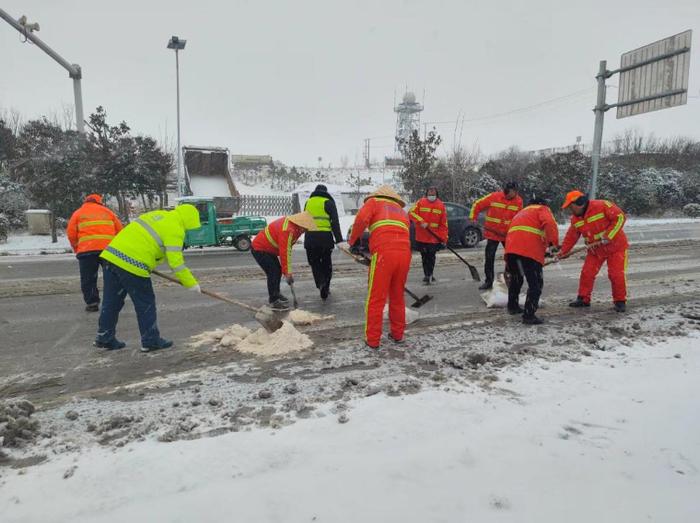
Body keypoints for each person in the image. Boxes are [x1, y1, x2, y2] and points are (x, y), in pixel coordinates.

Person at [96, 204, 202, 352]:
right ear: (189, 221)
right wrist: (191, 283)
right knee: (145, 303)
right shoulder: (175, 229)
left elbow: (146, 241)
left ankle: (104, 337)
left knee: (111, 302)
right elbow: (176, 263)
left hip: (111, 256)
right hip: (132, 264)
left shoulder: (158, 215)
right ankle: (150, 341)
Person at [348, 185, 411, 349]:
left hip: (384, 254)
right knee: (397, 296)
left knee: (376, 298)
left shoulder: (374, 202)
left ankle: (373, 340)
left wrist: (353, 241)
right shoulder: (400, 210)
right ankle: (397, 335)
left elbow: (361, 220)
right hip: (404, 255)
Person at [558, 190, 629, 312]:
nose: (570, 209)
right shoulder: (576, 219)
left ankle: (620, 301)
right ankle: (583, 299)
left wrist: (608, 236)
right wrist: (563, 252)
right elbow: (571, 237)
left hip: (615, 247)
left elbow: (620, 217)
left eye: (571, 206)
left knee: (615, 274)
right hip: (595, 250)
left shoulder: (602, 205)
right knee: (587, 273)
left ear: (579, 203)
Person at [504, 197, 559, 325]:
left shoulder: (522, 213)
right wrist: (553, 245)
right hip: (529, 251)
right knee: (536, 284)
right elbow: (549, 224)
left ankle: (512, 306)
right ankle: (529, 315)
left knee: (516, 279)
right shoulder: (542, 209)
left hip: (512, 250)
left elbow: (522, 232)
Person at [66, 194, 123, 312]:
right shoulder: (108, 212)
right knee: (112, 277)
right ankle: (113, 301)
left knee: (88, 278)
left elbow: (71, 233)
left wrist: (77, 248)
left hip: (87, 251)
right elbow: (120, 231)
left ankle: (92, 302)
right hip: (108, 251)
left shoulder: (78, 213)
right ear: (99, 202)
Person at [251, 211, 318, 309]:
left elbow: (287, 250)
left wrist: (286, 271)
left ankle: (276, 294)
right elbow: (285, 252)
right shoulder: (288, 230)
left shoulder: (295, 228)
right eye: (305, 228)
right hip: (260, 248)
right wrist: (288, 273)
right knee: (273, 271)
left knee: (277, 271)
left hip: (268, 249)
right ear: (301, 224)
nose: (306, 230)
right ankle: (274, 300)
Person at [469, 181, 523, 290]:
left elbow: (520, 217)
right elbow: (477, 204)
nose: (514, 194)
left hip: (508, 235)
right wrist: (472, 218)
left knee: (511, 258)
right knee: (489, 258)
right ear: (507, 190)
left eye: (515, 192)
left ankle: (510, 278)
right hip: (493, 233)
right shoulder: (494, 196)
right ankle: (488, 281)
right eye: (512, 191)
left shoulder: (518, 201)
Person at [303, 184, 344, 300]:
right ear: (325, 192)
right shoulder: (329, 202)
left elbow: (304, 220)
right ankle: (326, 285)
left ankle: (321, 283)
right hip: (325, 238)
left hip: (310, 237)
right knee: (326, 263)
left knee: (315, 263)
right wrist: (339, 240)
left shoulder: (308, 202)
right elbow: (335, 223)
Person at [409, 186, 448, 284]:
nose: (431, 196)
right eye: (430, 194)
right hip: (421, 236)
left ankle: (429, 274)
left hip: (433, 237)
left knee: (431, 256)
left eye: (433, 194)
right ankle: (427, 274)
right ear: (426, 194)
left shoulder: (441, 205)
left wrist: (444, 238)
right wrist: (421, 221)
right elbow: (411, 213)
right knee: (424, 256)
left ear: (436, 194)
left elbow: (444, 224)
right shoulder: (420, 202)